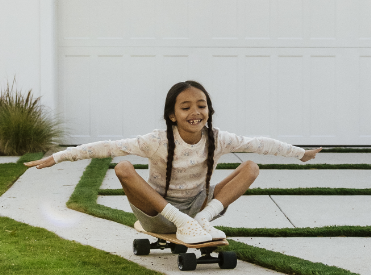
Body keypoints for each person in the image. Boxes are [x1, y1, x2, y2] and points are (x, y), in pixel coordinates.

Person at [24, 79, 321, 245]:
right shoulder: (155, 141)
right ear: (172, 115)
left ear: (209, 111)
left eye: (201, 105)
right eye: (186, 106)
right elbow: (108, 147)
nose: (196, 111)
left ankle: (201, 222)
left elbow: (260, 144)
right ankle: (185, 224)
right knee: (123, 167)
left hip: (199, 207)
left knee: (251, 167)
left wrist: (300, 153)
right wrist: (59, 156)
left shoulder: (218, 138)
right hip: (158, 212)